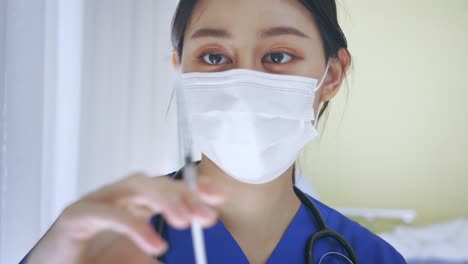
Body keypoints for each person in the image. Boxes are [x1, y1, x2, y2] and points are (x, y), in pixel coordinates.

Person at [20, 0, 406, 263]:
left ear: (332, 75)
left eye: (278, 56)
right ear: (180, 71)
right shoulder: (104, 240)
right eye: (214, 57)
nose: (243, 84)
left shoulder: (370, 257)